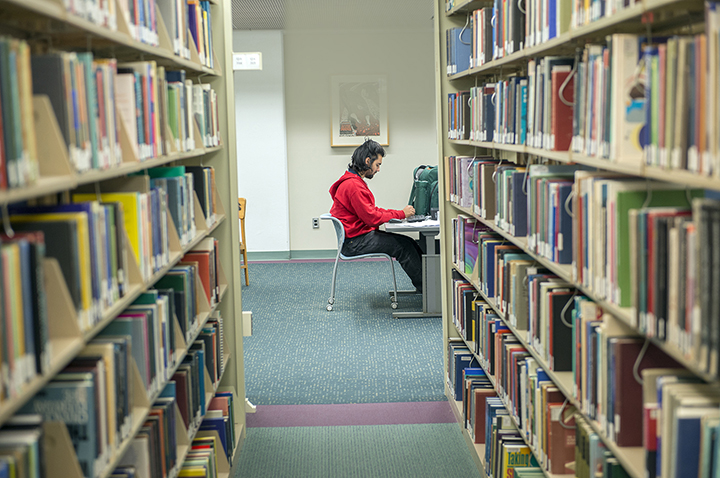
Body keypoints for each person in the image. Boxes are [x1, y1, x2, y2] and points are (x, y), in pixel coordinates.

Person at [329, 139, 424, 292]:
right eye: (377, 165)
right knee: (404, 247)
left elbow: (372, 210)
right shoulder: (353, 186)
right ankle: (429, 291)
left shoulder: (353, 181)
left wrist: (398, 213)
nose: (378, 169)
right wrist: (400, 214)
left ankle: (427, 288)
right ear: (367, 161)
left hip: (357, 237)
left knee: (411, 243)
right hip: (355, 242)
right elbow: (372, 218)